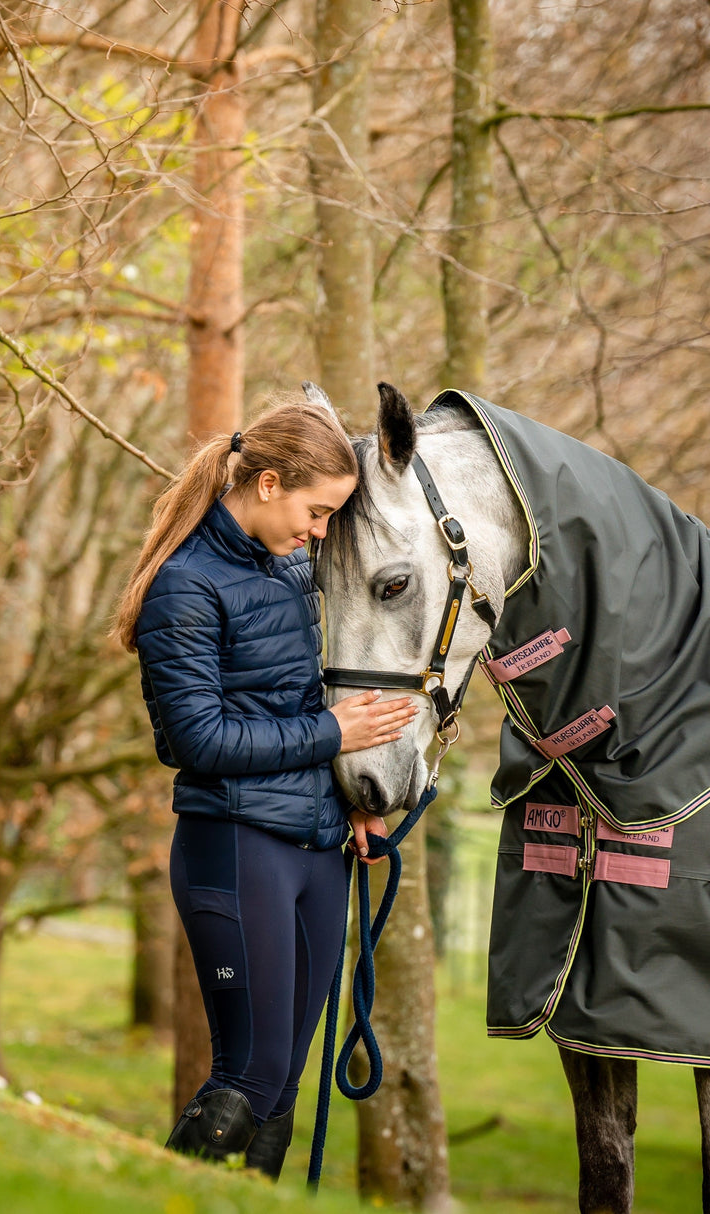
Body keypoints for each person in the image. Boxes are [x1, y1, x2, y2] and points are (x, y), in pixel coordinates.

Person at [112, 396, 416, 1180]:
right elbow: (198, 741)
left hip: (318, 852)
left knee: (281, 1090)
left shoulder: (287, 574)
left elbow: (292, 702)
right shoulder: (185, 587)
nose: (319, 534)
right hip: (234, 849)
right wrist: (335, 736)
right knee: (246, 1077)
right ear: (271, 482)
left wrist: (350, 800)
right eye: (317, 513)